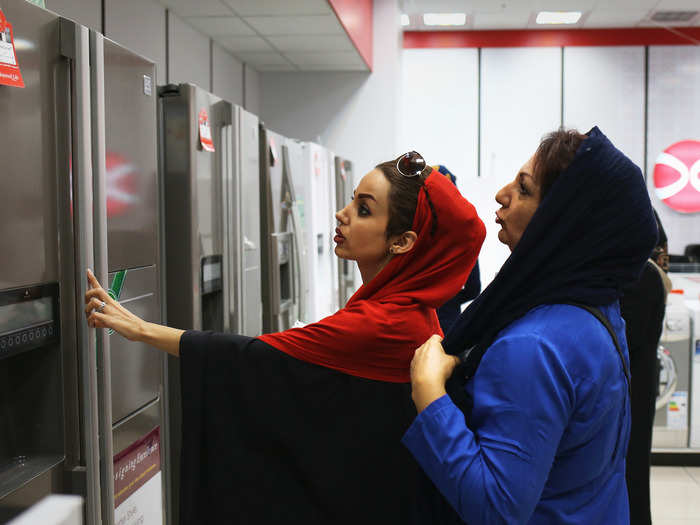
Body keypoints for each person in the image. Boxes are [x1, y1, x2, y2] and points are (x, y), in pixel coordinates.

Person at [85, 152, 486, 524]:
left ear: (402, 242)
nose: (342, 215)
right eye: (351, 201)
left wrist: (137, 328)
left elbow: (250, 358)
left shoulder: (386, 322)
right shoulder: (409, 309)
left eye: (364, 210)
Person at [403, 127, 657, 524]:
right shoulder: (597, 313)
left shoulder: (534, 347)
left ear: (562, 222)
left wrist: (429, 395)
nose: (501, 194)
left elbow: (496, 509)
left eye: (524, 189)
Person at [620, 210, 669, 525]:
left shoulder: (639, 276)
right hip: (639, 375)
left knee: (630, 470)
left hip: (632, 384)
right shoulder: (645, 272)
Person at [433, 165, 482, 332]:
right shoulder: (465, 234)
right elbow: (474, 289)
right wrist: (450, 300)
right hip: (448, 326)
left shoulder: (413, 233)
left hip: (416, 324)